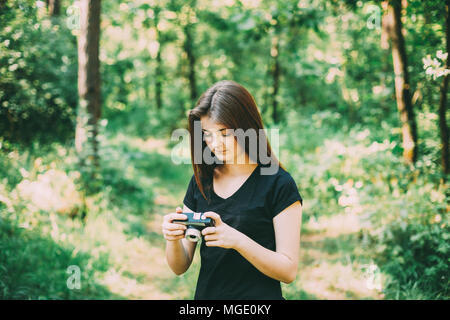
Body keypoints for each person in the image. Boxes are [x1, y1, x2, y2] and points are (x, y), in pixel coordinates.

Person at [162, 80, 303, 300]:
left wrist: (237, 240)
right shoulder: (202, 181)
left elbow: (288, 270)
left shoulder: (278, 184)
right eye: (207, 134)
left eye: (225, 133)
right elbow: (179, 266)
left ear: (247, 128)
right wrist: (172, 238)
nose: (216, 143)